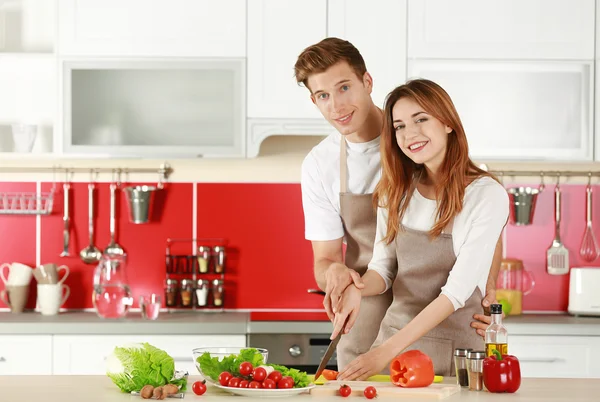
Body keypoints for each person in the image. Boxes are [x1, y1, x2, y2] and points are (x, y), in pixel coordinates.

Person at [294, 38, 502, 370]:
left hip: (442, 309)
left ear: (367, 82)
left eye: (344, 87)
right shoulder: (321, 164)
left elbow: (481, 223)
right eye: (323, 96)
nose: (336, 106)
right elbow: (330, 260)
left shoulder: (423, 142)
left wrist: (488, 293)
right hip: (368, 307)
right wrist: (338, 276)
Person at [331, 79, 509, 380]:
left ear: (448, 123)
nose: (409, 133)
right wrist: (356, 289)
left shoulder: (486, 195)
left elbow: (455, 293)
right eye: (399, 126)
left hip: (456, 357)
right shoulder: (395, 190)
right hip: (394, 354)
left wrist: (383, 352)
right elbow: (382, 269)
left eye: (421, 119)